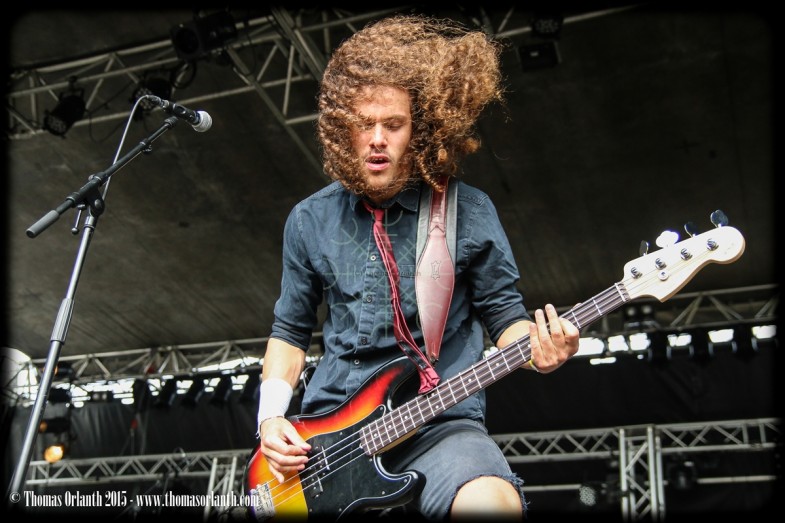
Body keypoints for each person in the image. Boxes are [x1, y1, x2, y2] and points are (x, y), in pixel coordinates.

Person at [255, 14, 580, 520]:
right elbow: (290, 332)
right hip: (326, 437)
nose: (377, 138)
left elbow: (505, 318)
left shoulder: (468, 211)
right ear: (343, 130)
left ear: (422, 129)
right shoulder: (308, 219)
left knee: (492, 504)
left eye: (393, 124)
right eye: (363, 124)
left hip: (438, 423)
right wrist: (270, 420)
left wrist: (541, 351)